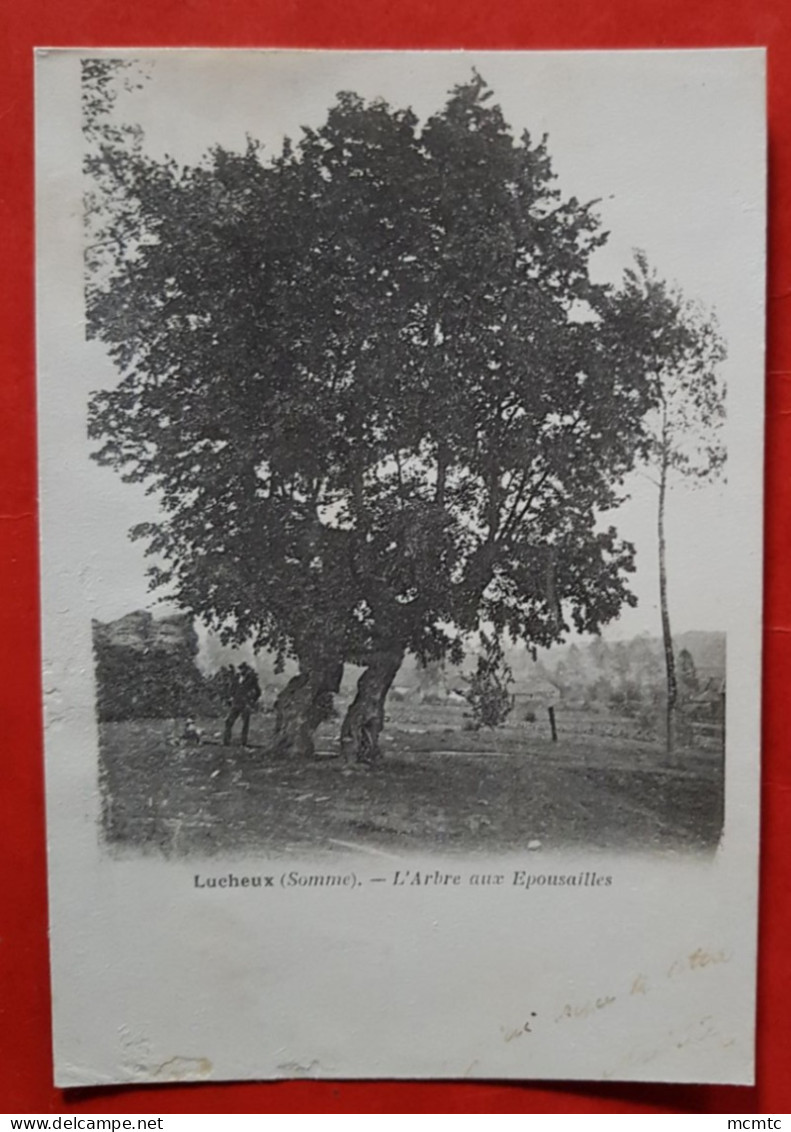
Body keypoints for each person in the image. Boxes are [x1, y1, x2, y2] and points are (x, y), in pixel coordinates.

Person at [222, 663, 262, 747]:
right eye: (240, 669)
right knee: (229, 722)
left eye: (243, 669)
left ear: (246, 669)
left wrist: (252, 700)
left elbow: (258, 692)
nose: (241, 671)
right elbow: (232, 688)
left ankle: (243, 742)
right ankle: (226, 742)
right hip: (236, 703)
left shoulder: (252, 679)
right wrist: (231, 696)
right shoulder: (237, 678)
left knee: (245, 724)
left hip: (245, 704)